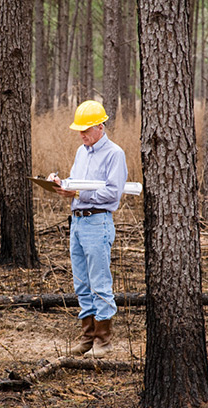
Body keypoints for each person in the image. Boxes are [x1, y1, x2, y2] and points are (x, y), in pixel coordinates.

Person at [48, 100, 128, 358]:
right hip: (78, 222)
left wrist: (78, 192)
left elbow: (113, 192)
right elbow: (77, 182)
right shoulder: (82, 151)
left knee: (99, 282)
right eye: (79, 130)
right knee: (81, 281)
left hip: (97, 221)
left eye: (86, 130)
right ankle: (87, 338)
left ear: (100, 127)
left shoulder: (115, 154)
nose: (81, 134)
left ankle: (103, 342)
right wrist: (61, 183)